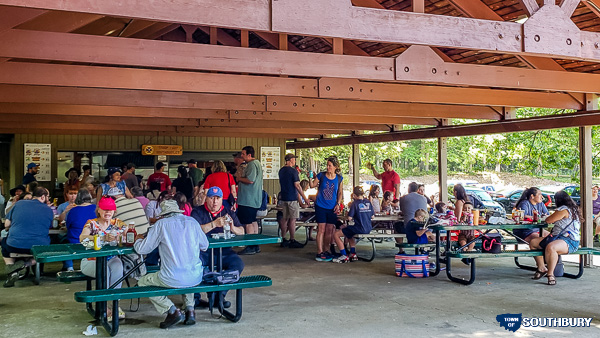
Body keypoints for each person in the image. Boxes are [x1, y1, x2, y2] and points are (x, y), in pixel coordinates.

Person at [134, 199, 209, 328]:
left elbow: (143, 249)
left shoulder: (161, 224)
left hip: (171, 277)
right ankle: (190, 310)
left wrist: (137, 240)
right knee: (187, 273)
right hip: (195, 276)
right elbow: (205, 246)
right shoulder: (192, 222)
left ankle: (171, 310)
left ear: (163, 214)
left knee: (142, 283)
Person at [191, 186, 245, 308]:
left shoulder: (227, 211)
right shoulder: (197, 212)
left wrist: (233, 228)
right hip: (203, 252)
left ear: (222, 199)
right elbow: (194, 231)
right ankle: (195, 299)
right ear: (206, 199)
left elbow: (242, 231)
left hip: (224, 252)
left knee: (238, 264)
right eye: (211, 198)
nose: (215, 201)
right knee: (193, 264)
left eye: (218, 198)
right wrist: (214, 224)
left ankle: (220, 295)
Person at [79, 197, 126, 319]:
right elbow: (82, 237)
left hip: (111, 258)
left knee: (118, 266)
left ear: (114, 211)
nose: (108, 212)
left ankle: (115, 302)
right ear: (98, 210)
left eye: (110, 210)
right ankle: (103, 305)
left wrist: (121, 235)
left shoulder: (117, 223)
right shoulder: (92, 223)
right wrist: (102, 238)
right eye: (105, 209)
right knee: (104, 270)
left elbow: (128, 231)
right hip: (90, 261)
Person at [1, 187, 53, 287]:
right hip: (39, 247)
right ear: (43, 197)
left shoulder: (19, 204)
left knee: (4, 243)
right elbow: (49, 225)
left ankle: (12, 270)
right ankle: (25, 265)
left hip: (15, 245)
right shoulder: (48, 210)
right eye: (48, 197)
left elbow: (6, 225)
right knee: (44, 252)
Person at [529, 191, 581, 286]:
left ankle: (550, 274)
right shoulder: (573, 209)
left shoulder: (564, 210)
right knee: (533, 242)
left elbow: (549, 220)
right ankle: (541, 268)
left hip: (569, 240)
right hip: (557, 237)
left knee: (551, 247)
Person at [309, 156, 343, 262]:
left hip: (332, 206)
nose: (328, 167)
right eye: (327, 165)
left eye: (330, 166)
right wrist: (310, 177)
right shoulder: (321, 175)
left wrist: (338, 203)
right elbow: (312, 185)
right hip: (320, 205)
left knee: (329, 230)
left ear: (335, 167)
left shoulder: (339, 178)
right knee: (321, 229)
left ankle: (326, 249)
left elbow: (340, 192)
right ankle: (319, 251)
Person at [332, 186, 374, 263]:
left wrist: (349, 214)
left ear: (354, 195)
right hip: (368, 228)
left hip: (359, 228)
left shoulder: (355, 204)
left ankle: (344, 255)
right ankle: (353, 253)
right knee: (349, 233)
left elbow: (349, 218)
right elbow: (372, 216)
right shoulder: (368, 202)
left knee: (336, 234)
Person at [235, 146, 263, 255]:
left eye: (243, 154)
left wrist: (239, 179)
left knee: (247, 223)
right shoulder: (257, 164)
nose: (241, 156)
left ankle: (250, 245)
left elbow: (250, 180)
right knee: (253, 221)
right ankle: (255, 244)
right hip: (254, 199)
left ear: (249, 155)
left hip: (248, 199)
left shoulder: (251, 164)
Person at [278, 154, 309, 249]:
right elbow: (297, 185)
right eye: (294, 159)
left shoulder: (281, 170)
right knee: (292, 219)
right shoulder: (293, 171)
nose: (295, 161)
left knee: (284, 218)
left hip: (284, 197)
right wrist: (304, 197)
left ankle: (283, 238)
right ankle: (292, 239)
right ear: (291, 160)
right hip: (292, 198)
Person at [62, 188, 97, 272]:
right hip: (92, 241)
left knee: (64, 243)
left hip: (75, 241)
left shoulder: (73, 210)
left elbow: (68, 225)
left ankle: (69, 266)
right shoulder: (96, 208)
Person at [397, 182, 427, 253]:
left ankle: (401, 249)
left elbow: (402, 211)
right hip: (422, 226)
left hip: (409, 226)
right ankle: (423, 248)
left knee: (396, 226)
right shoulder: (424, 198)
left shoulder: (403, 198)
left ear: (408, 189)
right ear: (417, 190)